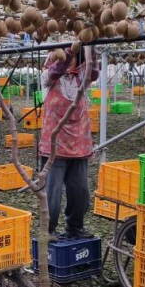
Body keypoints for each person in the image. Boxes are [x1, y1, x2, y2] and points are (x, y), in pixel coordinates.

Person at [40, 46, 99, 239]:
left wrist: (91, 44)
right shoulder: (49, 77)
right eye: (66, 57)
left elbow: (93, 71)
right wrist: (69, 53)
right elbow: (56, 70)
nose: (69, 60)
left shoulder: (80, 79)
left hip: (79, 145)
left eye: (73, 57)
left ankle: (75, 227)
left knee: (80, 192)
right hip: (54, 147)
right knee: (53, 196)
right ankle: (48, 230)